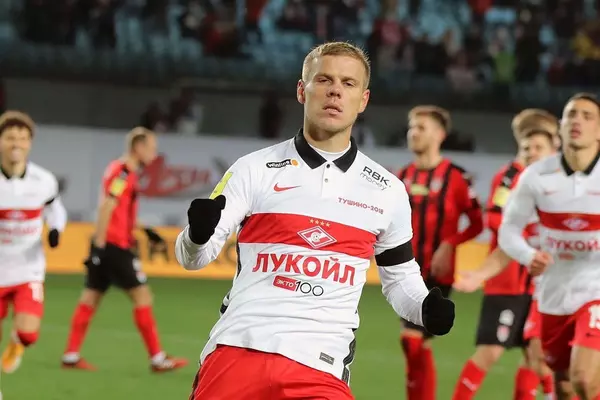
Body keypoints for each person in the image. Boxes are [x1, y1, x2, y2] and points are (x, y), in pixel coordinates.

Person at [175, 42, 456, 400]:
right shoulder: (253, 168)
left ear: (363, 100)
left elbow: (400, 279)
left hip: (321, 367)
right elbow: (193, 257)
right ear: (301, 90)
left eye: (348, 83)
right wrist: (197, 235)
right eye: (324, 79)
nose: (335, 90)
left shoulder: (387, 190)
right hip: (239, 349)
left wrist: (425, 308)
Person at [61, 127, 187, 372]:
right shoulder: (123, 173)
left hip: (107, 244)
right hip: (115, 246)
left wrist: (144, 229)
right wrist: (100, 246)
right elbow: (107, 206)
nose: (154, 154)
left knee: (90, 297)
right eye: (151, 148)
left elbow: (119, 210)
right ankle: (157, 358)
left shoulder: (121, 171)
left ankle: (71, 355)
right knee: (142, 296)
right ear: (138, 147)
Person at [499, 92, 600, 400]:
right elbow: (508, 230)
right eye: (571, 115)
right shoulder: (536, 176)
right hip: (554, 293)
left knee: (584, 379)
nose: (577, 121)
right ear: (561, 126)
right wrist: (529, 255)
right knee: (563, 384)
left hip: (595, 289)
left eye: (587, 116)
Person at [453, 126, 558, 400]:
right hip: (514, 283)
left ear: (554, 151)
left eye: (538, 148)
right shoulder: (513, 182)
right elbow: (503, 231)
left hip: (561, 290)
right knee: (526, 355)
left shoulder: (569, 192)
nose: (531, 153)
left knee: (547, 360)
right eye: (527, 148)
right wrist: (481, 273)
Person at [396, 105, 484, 400]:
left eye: (421, 127)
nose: (413, 133)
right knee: (415, 345)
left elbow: (477, 223)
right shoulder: (402, 177)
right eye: (412, 127)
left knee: (412, 340)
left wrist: (450, 243)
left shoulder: (456, 177)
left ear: (439, 135)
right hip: (405, 271)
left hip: (438, 274)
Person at [0, 111, 67, 373]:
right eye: (10, 137)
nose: (16, 143)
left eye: (22, 138)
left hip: (28, 270)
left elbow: (55, 209)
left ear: (29, 143)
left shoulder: (43, 180)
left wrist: (56, 229)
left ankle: (17, 342)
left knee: (28, 334)